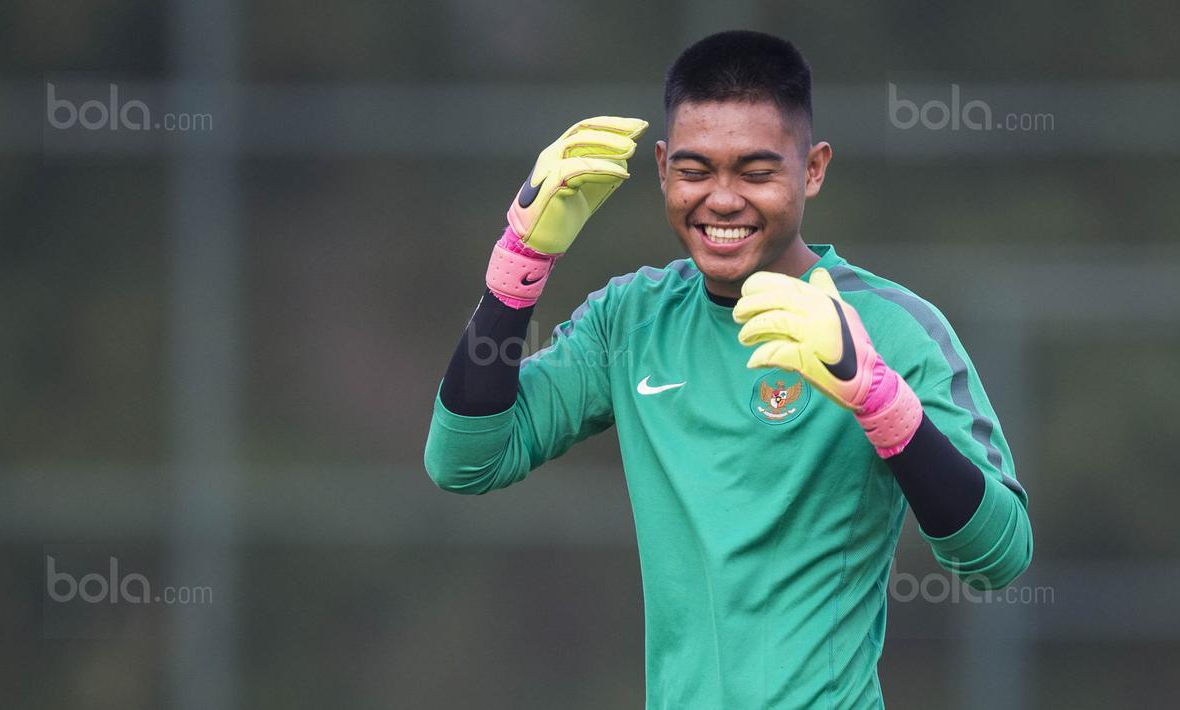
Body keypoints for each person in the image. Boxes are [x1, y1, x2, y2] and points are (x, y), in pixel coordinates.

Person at [424, 30, 1032, 709]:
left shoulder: (890, 329)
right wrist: (519, 265)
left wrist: (878, 399)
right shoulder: (630, 318)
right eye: (694, 171)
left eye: (755, 173)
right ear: (661, 168)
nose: (720, 199)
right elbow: (464, 460)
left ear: (813, 169)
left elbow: (997, 557)